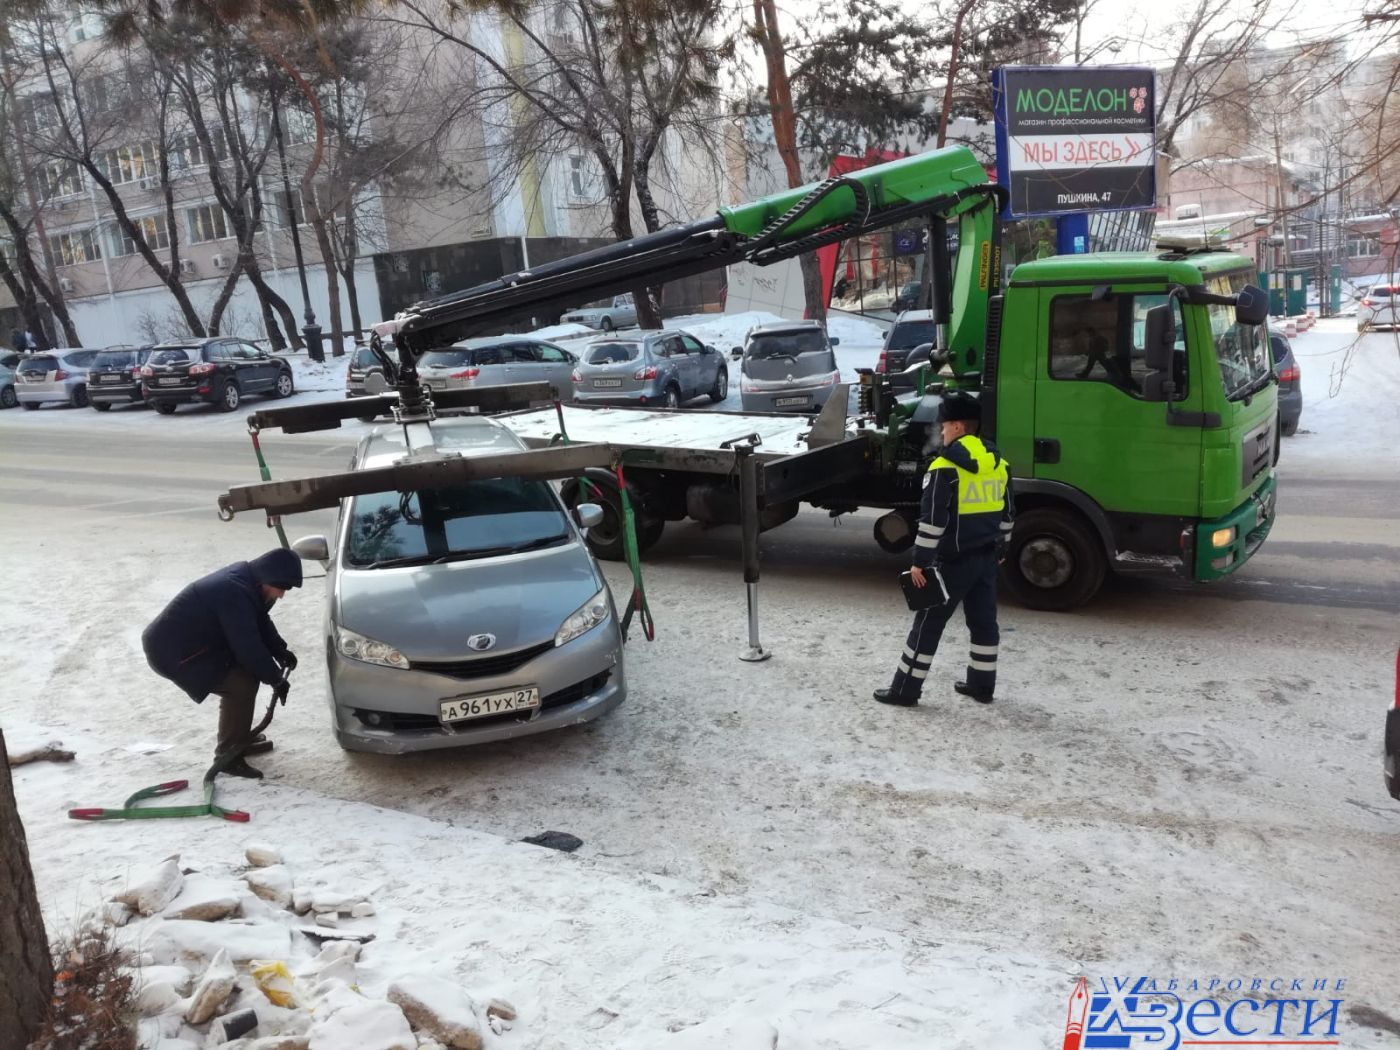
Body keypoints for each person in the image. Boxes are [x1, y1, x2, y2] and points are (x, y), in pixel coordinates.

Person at [874, 392, 1013, 707]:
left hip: (953, 562)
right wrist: (1002, 548)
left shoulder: (944, 467)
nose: (942, 431)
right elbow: (1007, 514)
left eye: (945, 425)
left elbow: (933, 523)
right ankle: (982, 685)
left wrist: (919, 563)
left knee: (928, 623)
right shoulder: (999, 464)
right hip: (987, 559)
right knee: (984, 623)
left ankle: (905, 690)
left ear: (959, 427)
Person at [142, 549, 302, 778]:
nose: (282, 595)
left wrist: (280, 650)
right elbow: (247, 644)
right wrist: (275, 678)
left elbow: (259, 621)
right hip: (174, 652)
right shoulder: (235, 591)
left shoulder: (250, 583)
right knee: (240, 685)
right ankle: (229, 756)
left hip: (199, 644)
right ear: (269, 577)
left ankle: (238, 738)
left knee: (245, 677)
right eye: (282, 588)